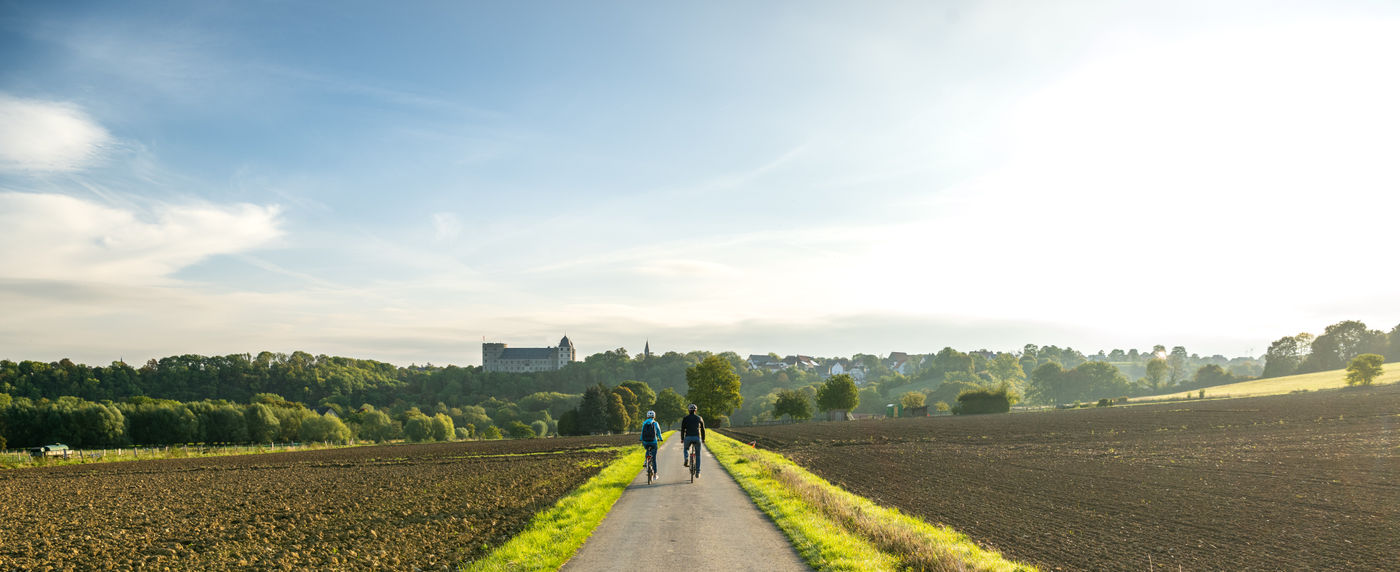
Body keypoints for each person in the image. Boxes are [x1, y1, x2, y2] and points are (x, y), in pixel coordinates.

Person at [679, 403, 705, 476]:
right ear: (695, 411)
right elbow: (703, 429)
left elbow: (682, 429)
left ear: (688, 411)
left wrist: (682, 439)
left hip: (688, 437)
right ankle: (698, 472)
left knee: (686, 449)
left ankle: (686, 458)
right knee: (698, 455)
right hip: (697, 437)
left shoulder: (685, 418)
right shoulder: (699, 418)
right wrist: (703, 439)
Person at [639, 410, 661, 477]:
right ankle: (655, 474)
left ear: (647, 416)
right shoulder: (655, 423)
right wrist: (660, 438)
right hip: (653, 442)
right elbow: (659, 432)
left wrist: (641, 439)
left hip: (645, 442)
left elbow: (642, 432)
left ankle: (646, 460)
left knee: (647, 450)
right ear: (654, 416)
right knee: (653, 458)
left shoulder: (644, 423)